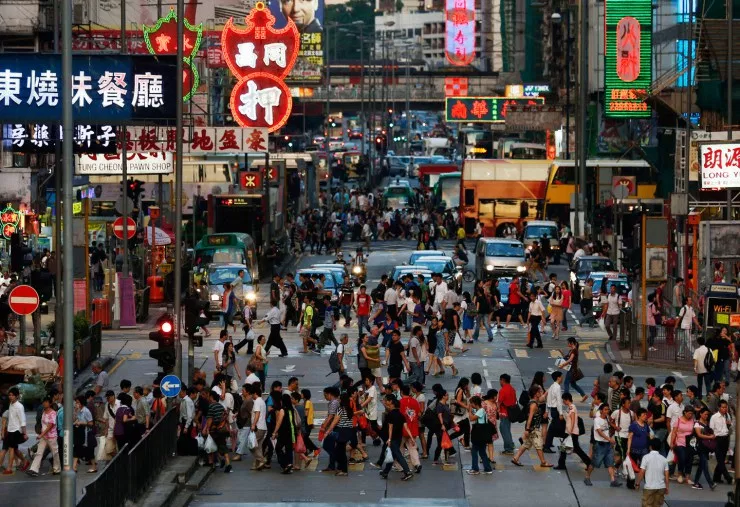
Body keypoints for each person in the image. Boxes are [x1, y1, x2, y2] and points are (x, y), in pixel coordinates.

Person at [511, 385, 553, 468]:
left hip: (531, 428)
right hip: (533, 428)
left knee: (526, 444)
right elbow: (530, 418)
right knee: (539, 445)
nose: (541, 393)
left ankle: (516, 458)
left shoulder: (534, 402)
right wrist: (527, 429)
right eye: (540, 392)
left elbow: (543, 398)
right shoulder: (533, 404)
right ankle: (543, 462)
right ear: (535, 394)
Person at [379, 395, 414, 481]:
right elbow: (406, 428)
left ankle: (407, 471)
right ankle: (385, 472)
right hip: (399, 438)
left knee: (398, 455)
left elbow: (390, 428)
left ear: (393, 405)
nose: (389, 406)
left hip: (393, 438)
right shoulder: (402, 415)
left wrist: (389, 439)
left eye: (390, 405)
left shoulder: (390, 414)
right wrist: (412, 438)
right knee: (393, 455)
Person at [635, 438, 670, 507]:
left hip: (649, 487)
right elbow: (666, 475)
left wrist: (637, 483)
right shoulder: (664, 459)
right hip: (661, 487)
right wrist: (667, 487)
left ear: (650, 447)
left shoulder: (646, 457)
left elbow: (642, 472)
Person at [467, 395, 493, 475]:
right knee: (482, 452)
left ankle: (475, 469)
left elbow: (471, 418)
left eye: (471, 403)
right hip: (482, 434)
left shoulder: (481, 411)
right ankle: (488, 469)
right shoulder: (481, 410)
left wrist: (469, 411)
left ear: (475, 404)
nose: (471, 405)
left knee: (474, 451)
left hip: (479, 434)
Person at [691, 407, 716, 490]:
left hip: (705, 447)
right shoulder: (697, 423)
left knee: (701, 466)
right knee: (705, 465)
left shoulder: (707, 423)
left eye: (707, 414)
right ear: (700, 414)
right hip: (700, 446)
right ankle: (711, 483)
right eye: (705, 414)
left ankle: (695, 483)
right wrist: (710, 437)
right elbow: (699, 435)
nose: (706, 416)